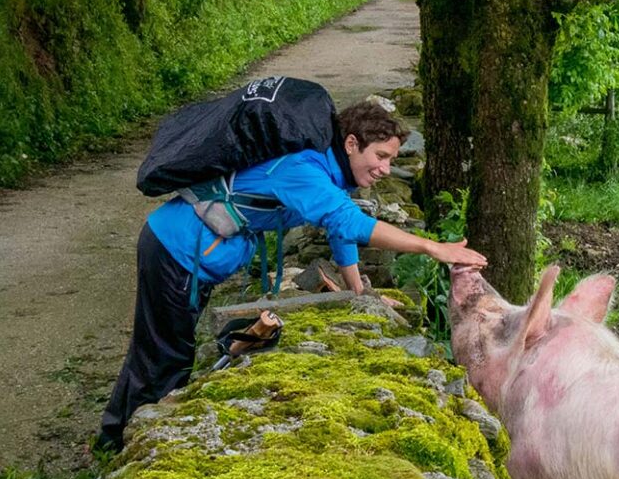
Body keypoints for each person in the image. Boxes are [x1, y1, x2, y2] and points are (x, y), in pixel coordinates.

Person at [95, 101, 486, 452]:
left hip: (186, 252)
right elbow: (349, 221)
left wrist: (359, 291)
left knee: (156, 344)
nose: (385, 168)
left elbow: (339, 230)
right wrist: (432, 248)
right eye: (380, 156)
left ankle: (112, 434)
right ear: (351, 144)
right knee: (166, 355)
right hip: (177, 249)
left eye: (390, 159)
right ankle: (132, 446)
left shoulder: (325, 171)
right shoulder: (303, 168)